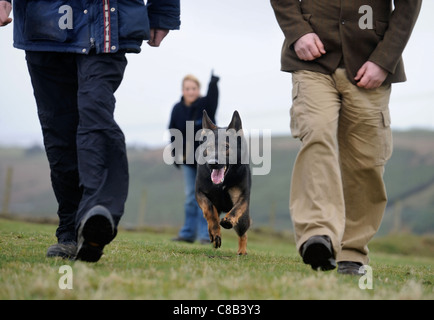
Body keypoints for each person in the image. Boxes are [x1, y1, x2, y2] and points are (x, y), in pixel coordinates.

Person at [0, 0, 180, 262]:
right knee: (59, 130)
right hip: (44, 23)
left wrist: (163, 10)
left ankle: (98, 214)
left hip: (106, 21)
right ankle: (71, 231)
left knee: (95, 112)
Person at [270, 0, 422, 274]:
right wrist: (297, 30)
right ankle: (317, 236)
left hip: (370, 63)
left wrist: (384, 59)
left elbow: (409, 5)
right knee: (317, 134)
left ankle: (351, 252)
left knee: (366, 162)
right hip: (311, 59)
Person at [168, 72, 220, 244]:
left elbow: (213, 99)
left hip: (207, 161)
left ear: (199, 90)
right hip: (188, 160)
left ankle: (207, 235)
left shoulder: (206, 105)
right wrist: (175, 155)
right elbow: (173, 132)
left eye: (194, 88)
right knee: (191, 196)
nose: (191, 92)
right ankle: (187, 233)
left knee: (207, 196)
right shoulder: (177, 109)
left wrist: (213, 84)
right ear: (183, 90)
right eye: (187, 88)